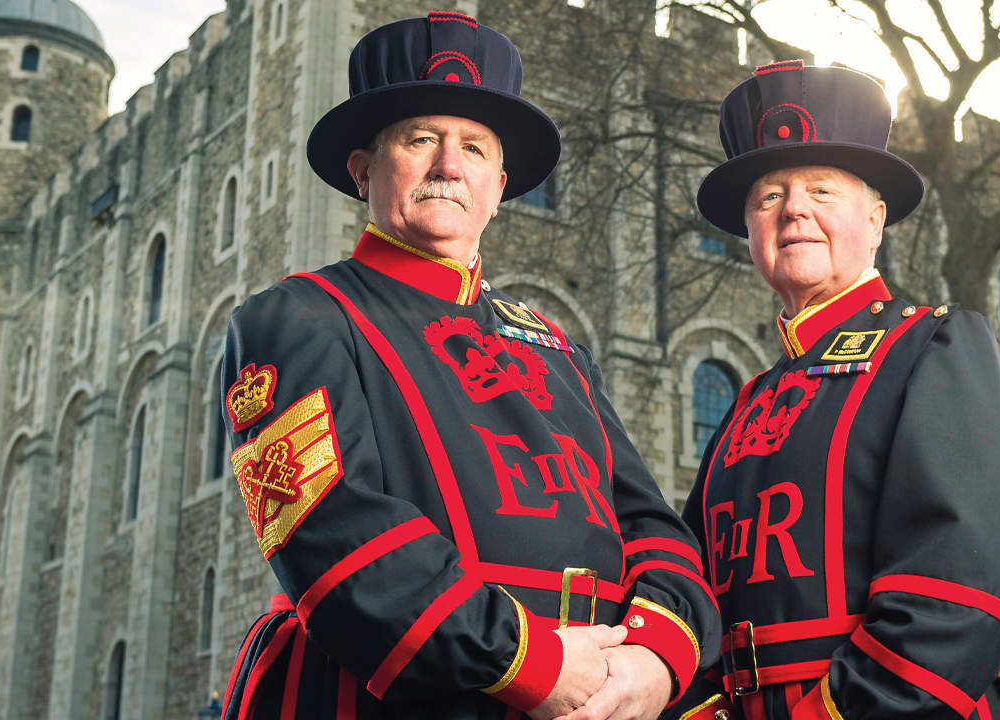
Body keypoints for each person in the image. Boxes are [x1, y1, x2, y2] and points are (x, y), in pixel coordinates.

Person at [219, 13, 719, 720]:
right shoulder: (298, 318)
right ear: (364, 171)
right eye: (421, 139)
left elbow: (651, 525)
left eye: (474, 148)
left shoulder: (554, 343)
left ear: (499, 184)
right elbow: (334, 539)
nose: (449, 165)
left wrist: (654, 658)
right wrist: (536, 663)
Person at [670, 63, 1000, 720]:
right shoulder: (746, 399)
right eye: (767, 197)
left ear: (875, 221)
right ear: (751, 234)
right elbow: (700, 592)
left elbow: (954, 598)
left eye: (821, 190)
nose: (793, 210)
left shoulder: (936, 350)